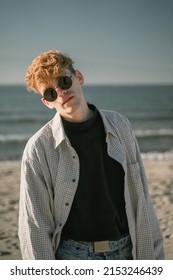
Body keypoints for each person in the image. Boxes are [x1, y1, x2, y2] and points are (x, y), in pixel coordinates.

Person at [18, 49, 164, 260]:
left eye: (64, 81)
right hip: (73, 256)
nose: (60, 92)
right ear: (47, 102)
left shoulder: (121, 126)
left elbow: (141, 199)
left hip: (127, 250)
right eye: (50, 92)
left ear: (79, 77)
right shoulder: (39, 148)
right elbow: (35, 226)